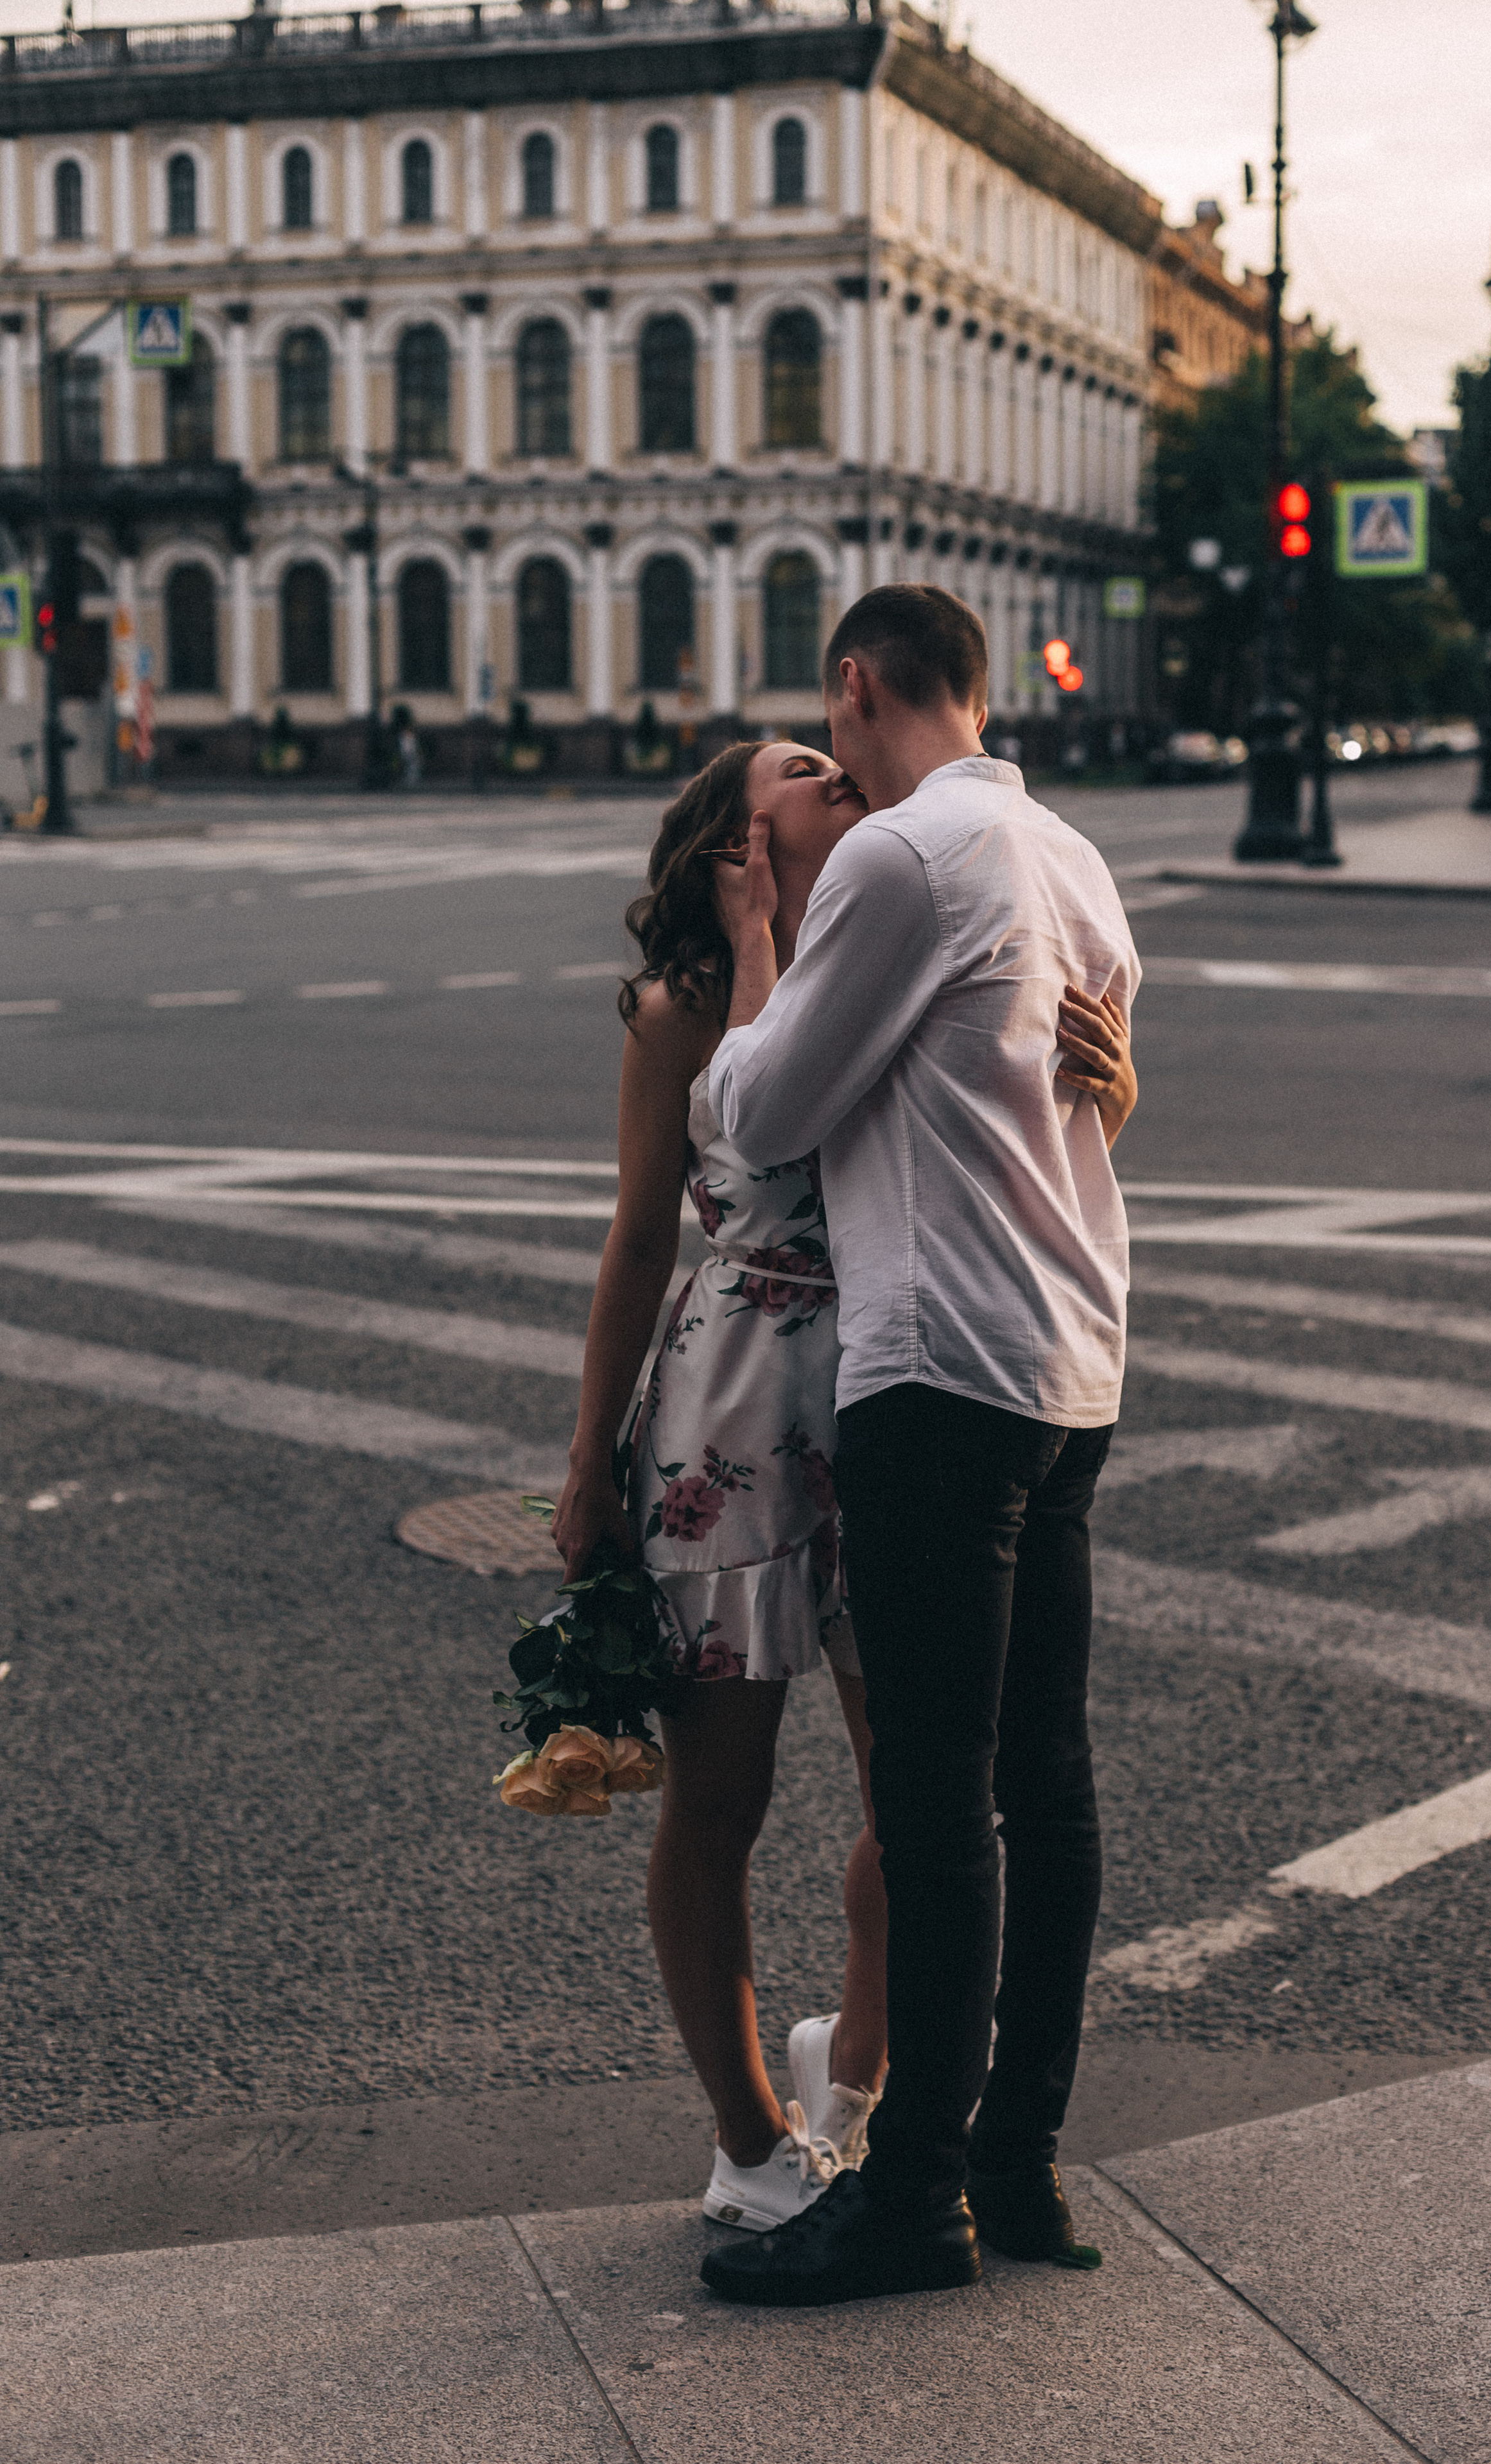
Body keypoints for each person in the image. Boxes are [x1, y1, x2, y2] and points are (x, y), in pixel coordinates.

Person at [549, 732, 1134, 2245]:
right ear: (740, 842)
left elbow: (1016, 1141)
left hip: (903, 1398)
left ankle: (857, 2080)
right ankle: (747, 2136)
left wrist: (1112, 1092)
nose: (838, 777)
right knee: (718, 1796)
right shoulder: (684, 1008)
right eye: (802, 771)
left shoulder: (899, 940)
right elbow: (638, 1237)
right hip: (730, 1408)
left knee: (916, 1787)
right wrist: (582, 1461)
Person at [699, 585, 1142, 2307]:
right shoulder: (1074, 861)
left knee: (939, 1799)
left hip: (939, 1368)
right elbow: (1082, 1093)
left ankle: (914, 2203)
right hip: (1071, 1361)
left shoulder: (902, 858)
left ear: (861, 685)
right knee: (1051, 1779)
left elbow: (763, 1107)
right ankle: (1021, 2160)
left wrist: (758, 959)